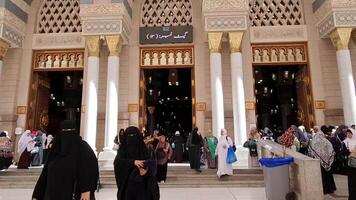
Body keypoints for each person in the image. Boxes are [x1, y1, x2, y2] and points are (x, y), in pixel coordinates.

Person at [32, 120, 99, 200]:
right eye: (64, 130)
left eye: (70, 131)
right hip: (52, 194)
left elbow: (90, 169)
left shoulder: (83, 148)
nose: (67, 134)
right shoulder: (56, 148)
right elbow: (45, 172)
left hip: (74, 194)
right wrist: (37, 194)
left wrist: (86, 190)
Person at [114, 126, 159, 200]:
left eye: (134, 135)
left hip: (143, 187)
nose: (132, 139)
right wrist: (133, 162)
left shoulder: (143, 148)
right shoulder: (123, 149)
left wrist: (146, 171)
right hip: (128, 188)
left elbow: (151, 165)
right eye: (129, 136)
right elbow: (118, 163)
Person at [308, 130, 336, 194]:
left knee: (321, 176)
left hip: (318, 163)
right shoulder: (327, 142)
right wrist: (328, 160)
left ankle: (323, 189)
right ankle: (330, 188)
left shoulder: (313, 142)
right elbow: (332, 151)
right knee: (328, 176)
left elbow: (310, 152)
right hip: (328, 162)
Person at [344, 129, 356, 200]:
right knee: (351, 182)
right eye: (347, 133)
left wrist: (351, 152)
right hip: (350, 165)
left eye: (350, 133)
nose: (348, 134)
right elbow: (343, 152)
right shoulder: (345, 142)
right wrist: (350, 153)